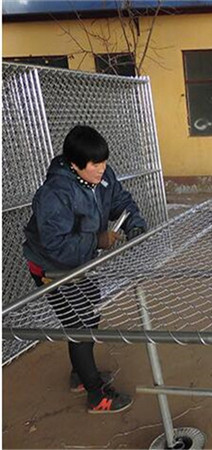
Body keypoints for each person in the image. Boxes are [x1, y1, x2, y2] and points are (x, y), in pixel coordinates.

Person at [23, 124, 147, 413]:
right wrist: (98, 239)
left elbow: (121, 201)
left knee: (89, 314)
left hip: (81, 263)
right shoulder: (55, 194)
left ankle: (80, 374)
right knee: (80, 323)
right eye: (95, 164)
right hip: (51, 268)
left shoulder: (103, 177)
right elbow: (56, 246)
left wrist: (134, 223)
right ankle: (97, 395)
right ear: (74, 164)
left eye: (104, 161)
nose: (102, 169)